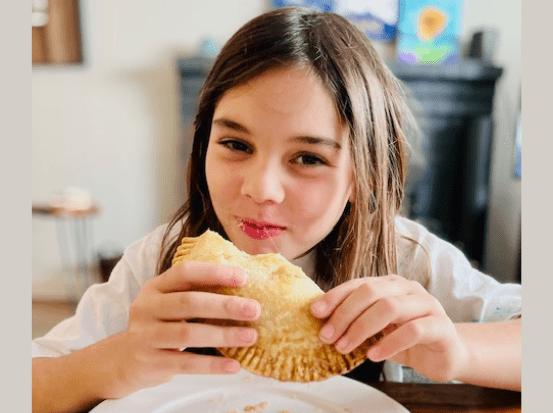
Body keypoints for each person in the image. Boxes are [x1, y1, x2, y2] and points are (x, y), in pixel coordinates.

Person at [32, 6, 521, 413]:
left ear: (362, 176)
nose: (262, 189)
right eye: (234, 144)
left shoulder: (407, 259)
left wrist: (459, 349)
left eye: (308, 158)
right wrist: (112, 362)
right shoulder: (161, 263)